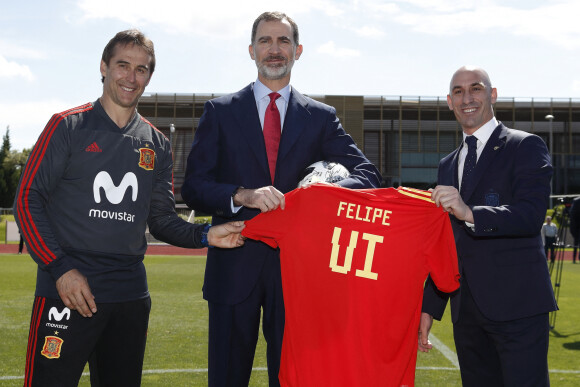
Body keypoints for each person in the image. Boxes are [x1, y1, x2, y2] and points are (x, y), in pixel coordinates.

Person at [13, 29, 245, 387]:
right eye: (123, 65)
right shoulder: (67, 126)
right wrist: (60, 268)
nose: (131, 77)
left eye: (141, 69)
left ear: (149, 76)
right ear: (104, 67)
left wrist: (206, 233)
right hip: (68, 290)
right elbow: (27, 200)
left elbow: (162, 219)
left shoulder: (157, 144)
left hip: (129, 296)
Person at [181, 11, 381, 386]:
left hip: (298, 273)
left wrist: (320, 194)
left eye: (283, 41)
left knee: (292, 379)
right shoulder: (220, 112)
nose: (275, 50)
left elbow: (368, 174)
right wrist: (242, 195)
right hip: (233, 265)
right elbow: (193, 187)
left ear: (298, 50)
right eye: (266, 41)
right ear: (252, 50)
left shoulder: (321, 118)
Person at [419, 66, 558, 386]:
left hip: (518, 308)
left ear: (492, 94)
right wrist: (430, 306)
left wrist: (470, 213)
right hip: (466, 313)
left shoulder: (526, 146)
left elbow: (531, 215)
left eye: (476, 88)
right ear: (449, 102)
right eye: (458, 92)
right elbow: (446, 242)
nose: (467, 98)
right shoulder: (447, 164)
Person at [242, 185, 459, 387]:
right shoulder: (426, 212)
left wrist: (210, 232)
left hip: (308, 371)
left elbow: (243, 229)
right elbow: (448, 282)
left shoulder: (305, 200)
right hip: (382, 372)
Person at [570, 197, 580, 263]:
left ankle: (575, 259)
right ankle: (574, 259)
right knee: (576, 244)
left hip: (576, 227)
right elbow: (572, 214)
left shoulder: (575, 201)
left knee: (575, 244)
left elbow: (572, 214)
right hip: (577, 227)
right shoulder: (576, 201)